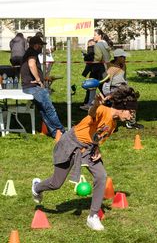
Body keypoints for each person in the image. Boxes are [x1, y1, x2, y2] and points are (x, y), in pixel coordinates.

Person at [31, 85, 139, 231]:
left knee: (101, 176)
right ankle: (37, 187)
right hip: (71, 143)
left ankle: (92, 216)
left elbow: (96, 137)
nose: (131, 116)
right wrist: (96, 103)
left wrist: (98, 149)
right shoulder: (102, 110)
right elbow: (92, 112)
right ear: (122, 108)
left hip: (89, 149)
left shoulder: (113, 125)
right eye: (130, 112)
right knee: (56, 183)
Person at [20, 36, 65, 138]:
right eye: (41, 45)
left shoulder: (29, 52)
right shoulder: (32, 53)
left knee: (43, 111)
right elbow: (31, 64)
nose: (41, 47)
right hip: (33, 86)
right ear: (36, 45)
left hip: (28, 86)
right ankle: (61, 131)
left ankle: (54, 132)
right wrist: (38, 80)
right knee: (49, 109)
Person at [102, 48, 144, 129]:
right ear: (118, 58)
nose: (125, 58)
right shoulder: (111, 69)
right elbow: (106, 84)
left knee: (132, 102)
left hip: (123, 88)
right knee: (114, 107)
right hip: (114, 89)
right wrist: (108, 95)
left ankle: (131, 122)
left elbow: (124, 79)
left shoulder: (124, 65)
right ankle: (109, 125)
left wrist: (128, 89)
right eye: (123, 57)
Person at [80, 29, 113, 111]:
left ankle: (111, 104)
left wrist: (88, 58)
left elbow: (98, 58)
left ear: (99, 36)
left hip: (99, 69)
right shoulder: (105, 44)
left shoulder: (98, 45)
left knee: (101, 88)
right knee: (94, 87)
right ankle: (90, 104)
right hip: (104, 67)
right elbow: (108, 56)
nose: (93, 37)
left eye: (95, 35)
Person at [81, 39, 96, 105]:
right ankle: (88, 102)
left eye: (89, 44)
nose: (88, 46)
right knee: (91, 88)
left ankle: (87, 103)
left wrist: (85, 56)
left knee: (91, 87)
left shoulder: (91, 48)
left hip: (94, 70)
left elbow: (89, 58)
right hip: (94, 70)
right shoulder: (95, 49)